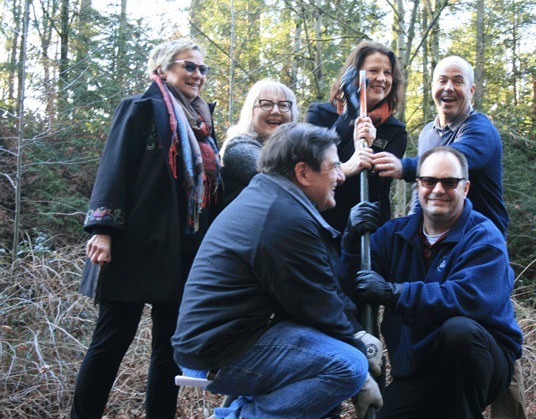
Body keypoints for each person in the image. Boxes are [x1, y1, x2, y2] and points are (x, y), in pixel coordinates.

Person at [172, 122, 383, 418]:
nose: (340, 176)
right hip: (218, 351)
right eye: (333, 167)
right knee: (347, 366)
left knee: (336, 358)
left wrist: (357, 333)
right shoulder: (282, 218)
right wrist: (362, 375)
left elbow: (321, 292)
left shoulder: (273, 199)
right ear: (303, 173)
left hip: (234, 336)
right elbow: (318, 306)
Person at [72, 39, 222, 418]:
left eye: (203, 69)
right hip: (132, 246)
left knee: (169, 348)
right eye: (189, 66)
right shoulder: (140, 109)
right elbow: (114, 168)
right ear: (163, 68)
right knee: (111, 341)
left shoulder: (202, 121)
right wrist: (102, 230)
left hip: (181, 249)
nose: (198, 75)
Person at [340, 147, 523, 418]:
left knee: (458, 330)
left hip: (480, 364)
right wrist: (352, 241)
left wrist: (395, 293)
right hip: (419, 367)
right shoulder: (394, 235)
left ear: (466, 188)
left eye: (449, 182)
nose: (438, 190)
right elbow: (353, 284)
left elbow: (468, 299)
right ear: (418, 185)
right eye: (429, 181)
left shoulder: (484, 237)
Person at [372, 55, 508, 236]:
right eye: (442, 81)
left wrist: (404, 167)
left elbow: (452, 160)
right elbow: (421, 191)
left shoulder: (481, 131)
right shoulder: (428, 133)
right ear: (432, 88)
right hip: (438, 239)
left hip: (480, 241)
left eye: (458, 81)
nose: (449, 88)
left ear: (472, 90)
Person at [305, 40, 408, 236]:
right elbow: (310, 165)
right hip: (321, 224)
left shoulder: (394, 131)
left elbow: (376, 185)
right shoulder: (319, 114)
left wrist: (366, 148)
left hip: (366, 231)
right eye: (373, 71)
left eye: (387, 73)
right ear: (355, 75)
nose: (381, 78)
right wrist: (348, 117)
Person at [220, 79, 298, 206]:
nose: (276, 111)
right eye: (266, 104)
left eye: (283, 105)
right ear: (251, 111)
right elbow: (273, 173)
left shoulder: (292, 150)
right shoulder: (239, 146)